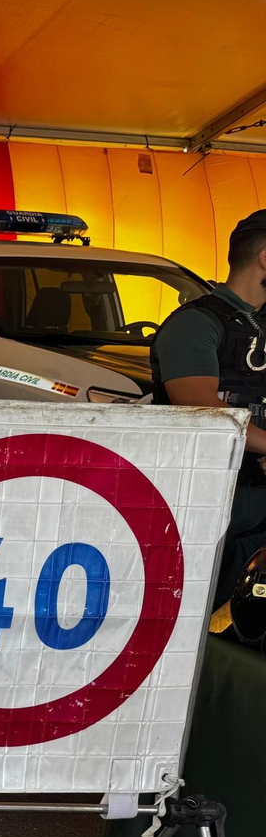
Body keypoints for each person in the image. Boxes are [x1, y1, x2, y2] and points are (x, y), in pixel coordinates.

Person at [151, 209, 266, 605]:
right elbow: (203, 410)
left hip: (255, 489)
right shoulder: (196, 324)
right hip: (214, 493)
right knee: (201, 605)